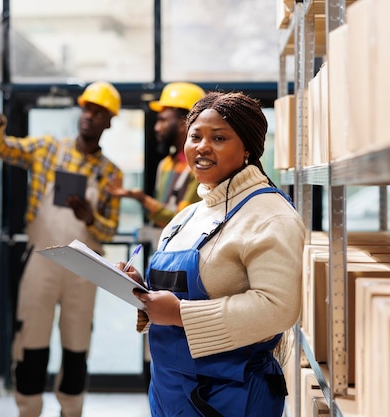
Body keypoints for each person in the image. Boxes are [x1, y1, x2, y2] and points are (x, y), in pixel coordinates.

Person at [117, 91, 306, 417]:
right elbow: (175, 295)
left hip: (229, 394)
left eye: (219, 137)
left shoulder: (270, 215)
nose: (202, 146)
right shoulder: (185, 217)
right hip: (169, 389)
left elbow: (279, 309)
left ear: (247, 147)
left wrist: (179, 314)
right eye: (195, 136)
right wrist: (140, 290)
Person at [0, 81, 123, 417]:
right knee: (31, 342)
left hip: (84, 269)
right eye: (86, 108)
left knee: (76, 345)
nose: (89, 117)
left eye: (98, 113)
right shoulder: (48, 149)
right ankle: (28, 410)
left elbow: (110, 231)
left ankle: (71, 411)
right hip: (41, 259)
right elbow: (3, 149)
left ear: (109, 122)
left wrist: (90, 218)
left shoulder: (110, 173)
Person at [108, 82, 206, 245]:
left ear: (184, 123)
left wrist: (142, 199)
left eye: (163, 120)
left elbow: (182, 218)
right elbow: (164, 216)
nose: (157, 127)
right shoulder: (166, 165)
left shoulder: (201, 167)